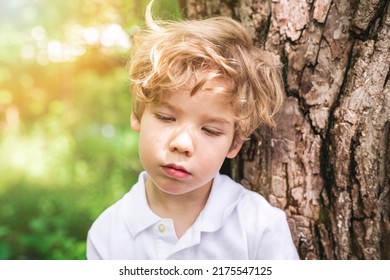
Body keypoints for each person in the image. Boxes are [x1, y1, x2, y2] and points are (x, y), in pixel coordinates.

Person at [86, 0, 299, 260]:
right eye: (166, 117)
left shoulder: (259, 228)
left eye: (209, 130)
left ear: (235, 144)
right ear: (138, 113)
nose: (182, 143)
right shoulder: (107, 235)